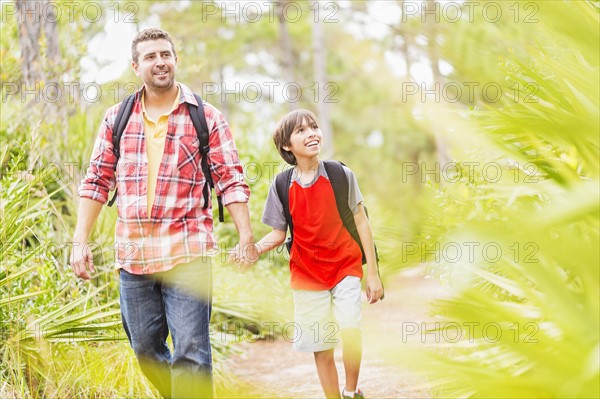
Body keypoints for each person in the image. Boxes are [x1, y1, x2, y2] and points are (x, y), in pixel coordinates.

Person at [70, 28, 257, 399]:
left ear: (176, 60)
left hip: (187, 250)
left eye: (166, 55)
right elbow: (96, 181)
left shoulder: (206, 116)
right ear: (136, 66)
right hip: (134, 254)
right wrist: (79, 242)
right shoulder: (117, 118)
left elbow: (230, 179)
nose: (160, 62)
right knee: (146, 352)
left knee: (191, 353)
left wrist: (246, 236)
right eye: (151, 56)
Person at [247, 109, 384, 399]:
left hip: (345, 264)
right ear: (287, 145)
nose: (311, 133)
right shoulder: (281, 186)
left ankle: (350, 391)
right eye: (301, 131)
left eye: (314, 127)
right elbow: (277, 234)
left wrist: (372, 273)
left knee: (350, 327)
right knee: (321, 345)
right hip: (307, 274)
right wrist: (255, 250)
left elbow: (361, 221)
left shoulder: (340, 175)